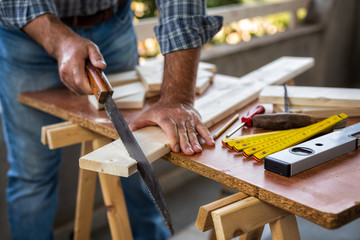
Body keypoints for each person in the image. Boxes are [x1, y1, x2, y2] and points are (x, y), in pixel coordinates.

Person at [0, 0, 223, 239]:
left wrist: (178, 97)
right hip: (26, 34)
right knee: (32, 175)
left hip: (114, 23)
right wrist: (59, 39)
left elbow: (181, 5)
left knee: (133, 162)